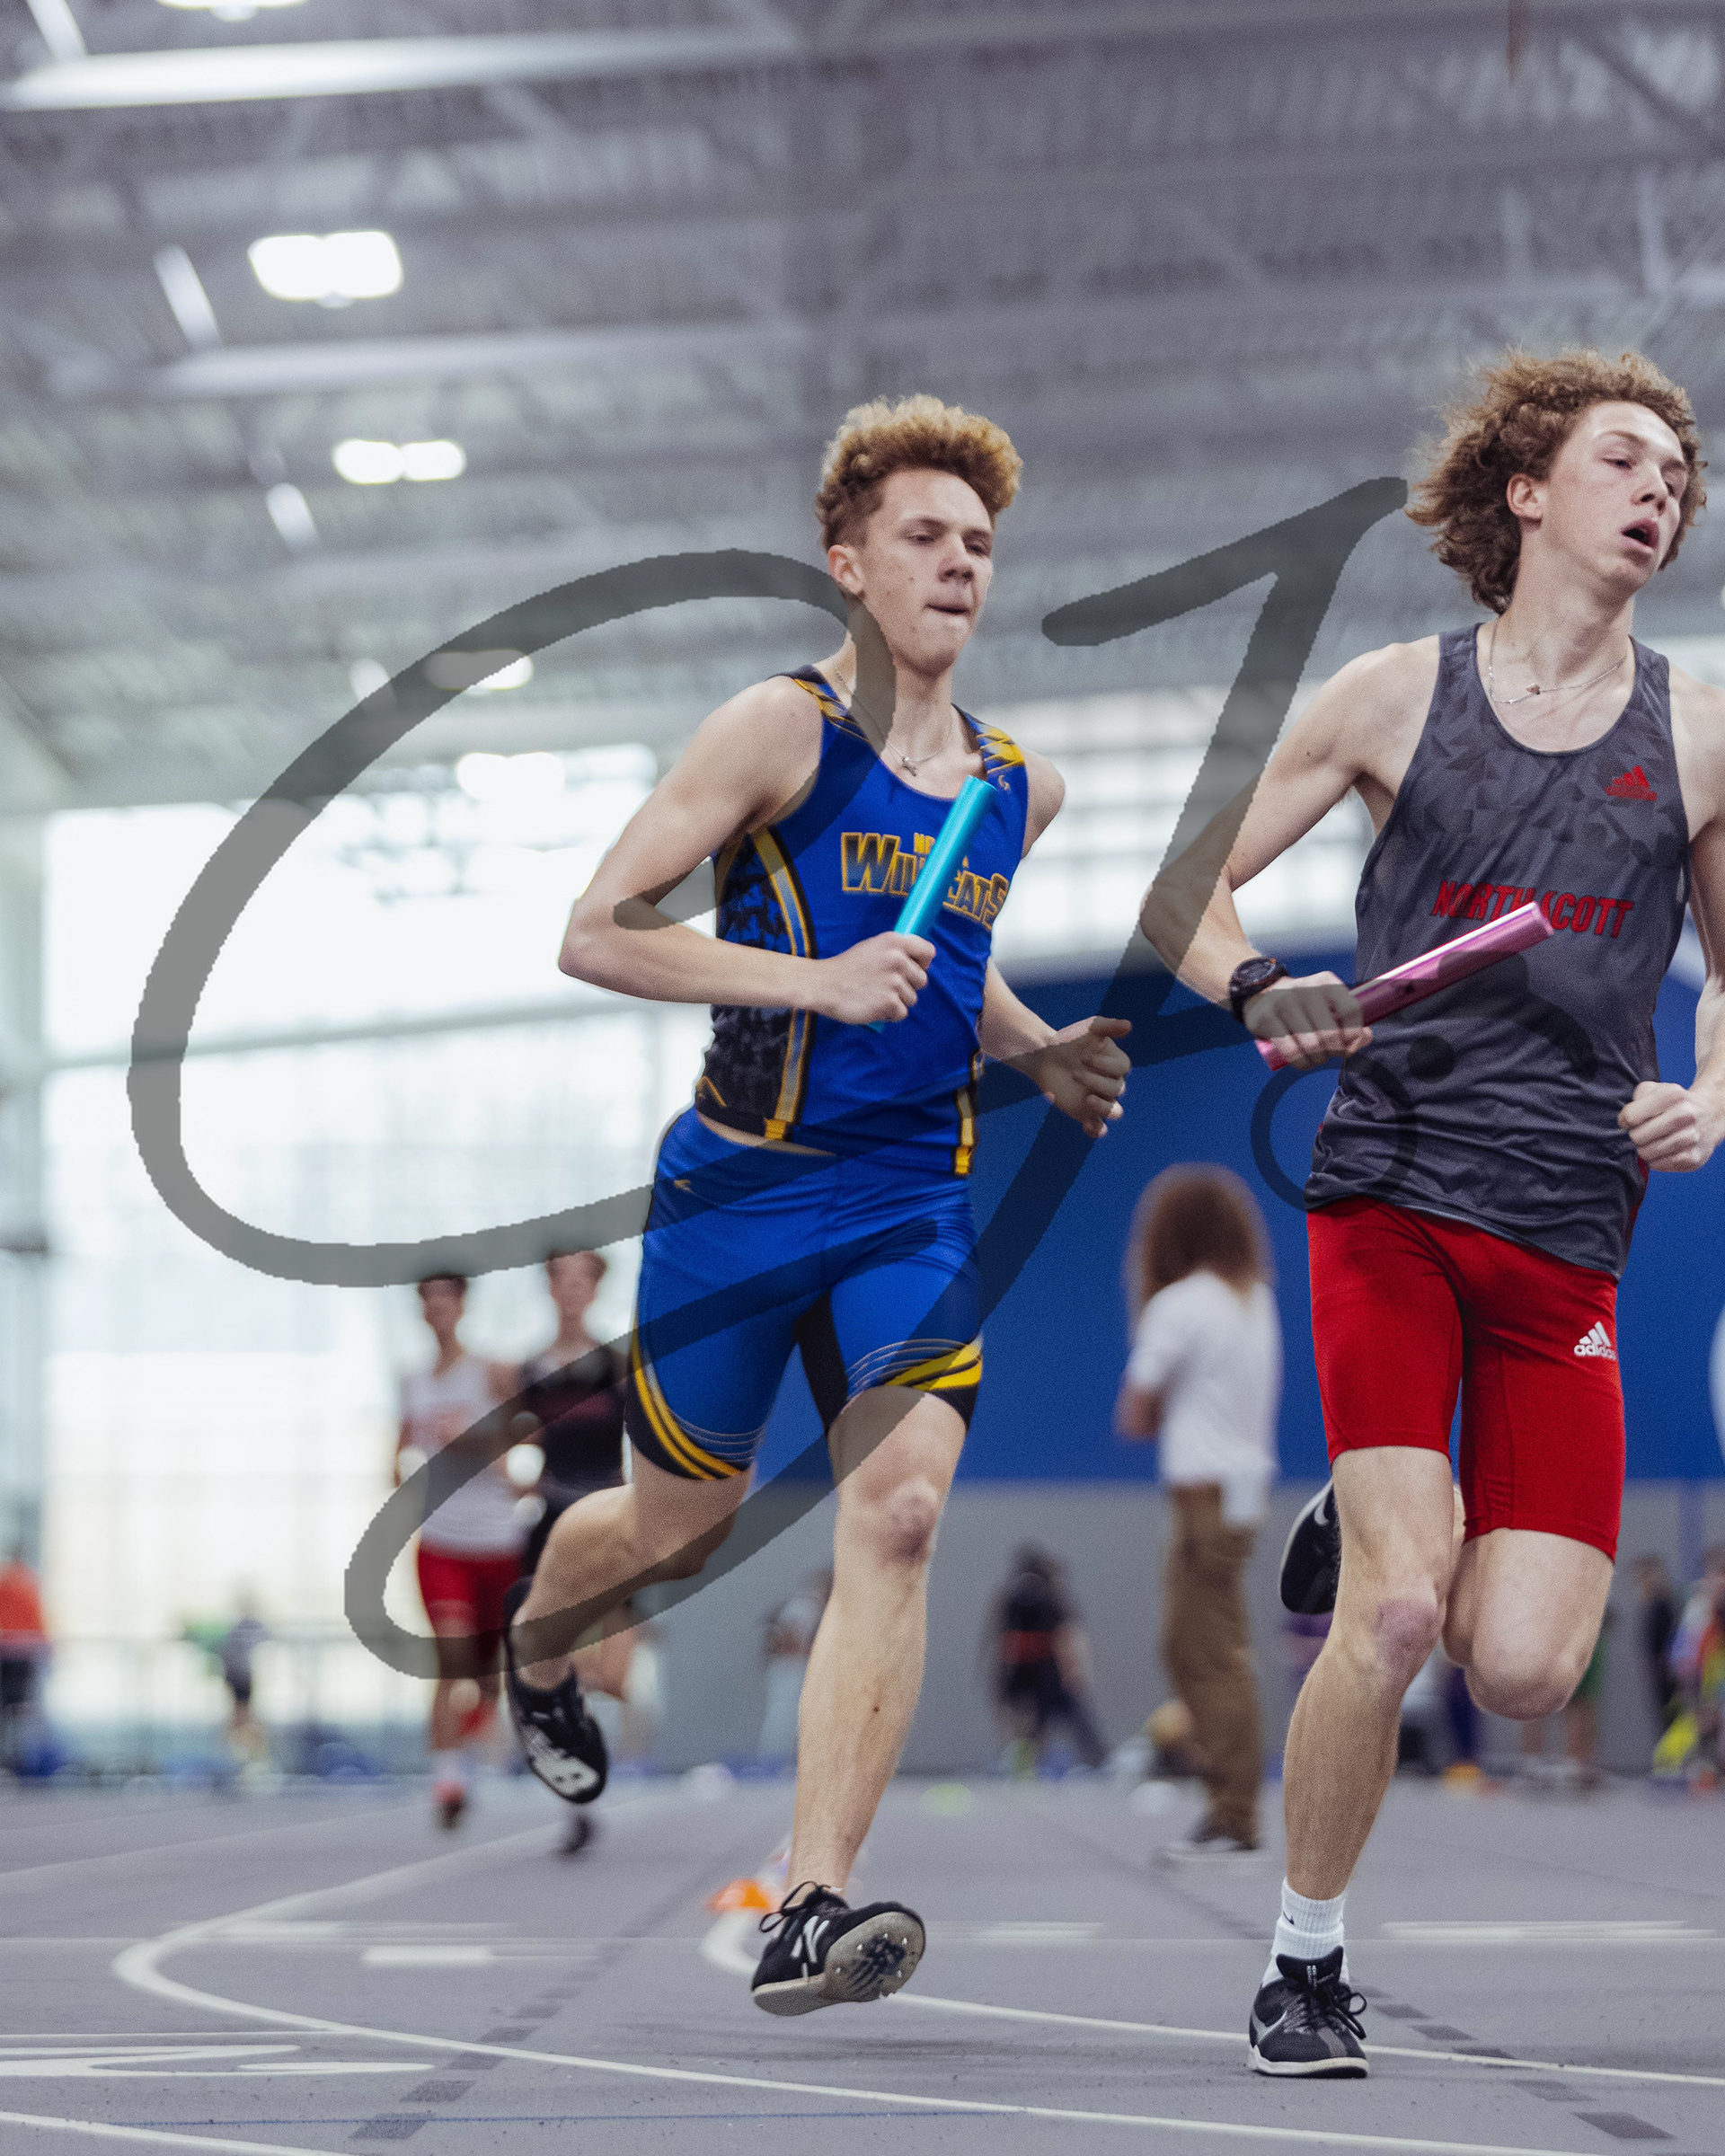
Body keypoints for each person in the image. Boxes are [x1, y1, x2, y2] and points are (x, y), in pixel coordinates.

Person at [502, 392, 1131, 2016]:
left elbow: (947, 970)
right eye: (924, 535)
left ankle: (812, 1901)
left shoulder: (1019, 786)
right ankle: (542, 1644)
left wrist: (1039, 1051)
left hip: (913, 1200)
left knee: (902, 1512)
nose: (959, 563)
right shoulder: (778, 733)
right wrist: (814, 979)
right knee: (673, 1530)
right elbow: (596, 929)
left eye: (978, 542)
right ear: (848, 561)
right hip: (738, 1194)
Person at [1141, 347, 1725, 2077]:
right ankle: (1305, 1966)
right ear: (1527, 491)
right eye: (1625, 459)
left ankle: (1374, 1505)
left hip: (1569, 1239)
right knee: (1397, 1616)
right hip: (1389, 1200)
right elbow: (1185, 889)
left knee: (1527, 1672)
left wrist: (1714, 1093)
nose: (1662, 489)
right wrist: (1258, 987)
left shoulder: (1700, 729)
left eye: (1680, 475)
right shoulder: (1395, 697)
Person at [1115, 1165, 1280, 1860]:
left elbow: (1135, 1412)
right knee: (1211, 1649)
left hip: (1203, 1498)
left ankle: (1234, 1814)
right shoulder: (1254, 1299)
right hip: (1241, 1494)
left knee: (1206, 1655)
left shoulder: (1180, 1304)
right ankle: (1230, 1806)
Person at [398, 1273, 521, 1829]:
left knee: (490, 1677)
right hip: (442, 1541)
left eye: (446, 1301)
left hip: (498, 1539)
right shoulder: (413, 1380)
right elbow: (399, 1446)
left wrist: (475, 1440)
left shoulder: (491, 1371)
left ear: (462, 1307)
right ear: (422, 1312)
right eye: (429, 1302)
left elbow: (528, 1430)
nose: (438, 1311)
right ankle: (446, 1780)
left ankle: (469, 1745)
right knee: (452, 1660)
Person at [986, 1545, 1108, 1776]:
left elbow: (1000, 1640)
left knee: (1031, 1723)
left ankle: (1026, 1763)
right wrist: (1073, 1670)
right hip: (1043, 1674)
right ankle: (1095, 1760)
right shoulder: (1048, 1598)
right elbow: (1065, 1635)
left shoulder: (1012, 1598)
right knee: (1050, 1721)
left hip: (1026, 1674)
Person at [757, 1570, 832, 1763]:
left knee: (796, 1718)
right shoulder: (803, 1606)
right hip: (792, 1670)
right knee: (784, 1717)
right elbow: (788, 1641)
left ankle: (787, 1760)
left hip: (795, 1669)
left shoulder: (810, 1606)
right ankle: (773, 1760)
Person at [0, 1545, 48, 1774]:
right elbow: (37, 1618)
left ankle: (17, 1757)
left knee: (14, 1708)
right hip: (21, 1651)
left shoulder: (12, 1583)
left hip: (13, 1651)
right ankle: (17, 1758)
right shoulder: (26, 1582)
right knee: (18, 1708)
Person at [1631, 1552, 1683, 1732]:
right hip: (1659, 1670)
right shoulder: (1651, 1606)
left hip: (1668, 1672)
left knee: (1672, 1716)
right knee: (1664, 1717)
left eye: (1644, 1577)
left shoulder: (1664, 1605)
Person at [218, 1593, 270, 1768]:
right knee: (240, 1715)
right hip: (237, 1676)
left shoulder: (250, 1627)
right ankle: (240, 1752)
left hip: (241, 1676)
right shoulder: (236, 1628)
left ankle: (251, 1752)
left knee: (243, 1715)